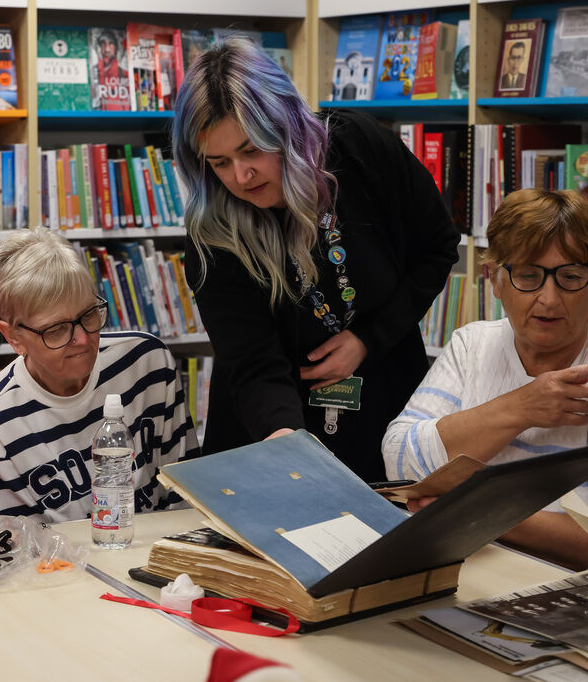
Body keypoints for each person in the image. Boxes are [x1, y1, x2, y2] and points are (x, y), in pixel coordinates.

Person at [172, 38, 460, 482]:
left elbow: (436, 246)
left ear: (286, 127)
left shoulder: (359, 147)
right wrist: (285, 443)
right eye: (219, 162)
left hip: (383, 400)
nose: (241, 177)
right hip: (271, 425)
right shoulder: (213, 231)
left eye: (252, 150)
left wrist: (369, 337)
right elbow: (253, 362)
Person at [382, 189, 588, 571]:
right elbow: (399, 463)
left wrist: (481, 507)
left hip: (562, 591)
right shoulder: (472, 345)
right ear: (495, 280)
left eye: (570, 277)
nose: (549, 299)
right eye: (528, 275)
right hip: (455, 568)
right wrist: (521, 407)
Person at [0, 227, 198, 521]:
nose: (82, 339)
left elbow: (186, 495)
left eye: (88, 315)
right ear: (13, 337)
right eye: (56, 329)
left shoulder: (148, 363)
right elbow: (21, 543)